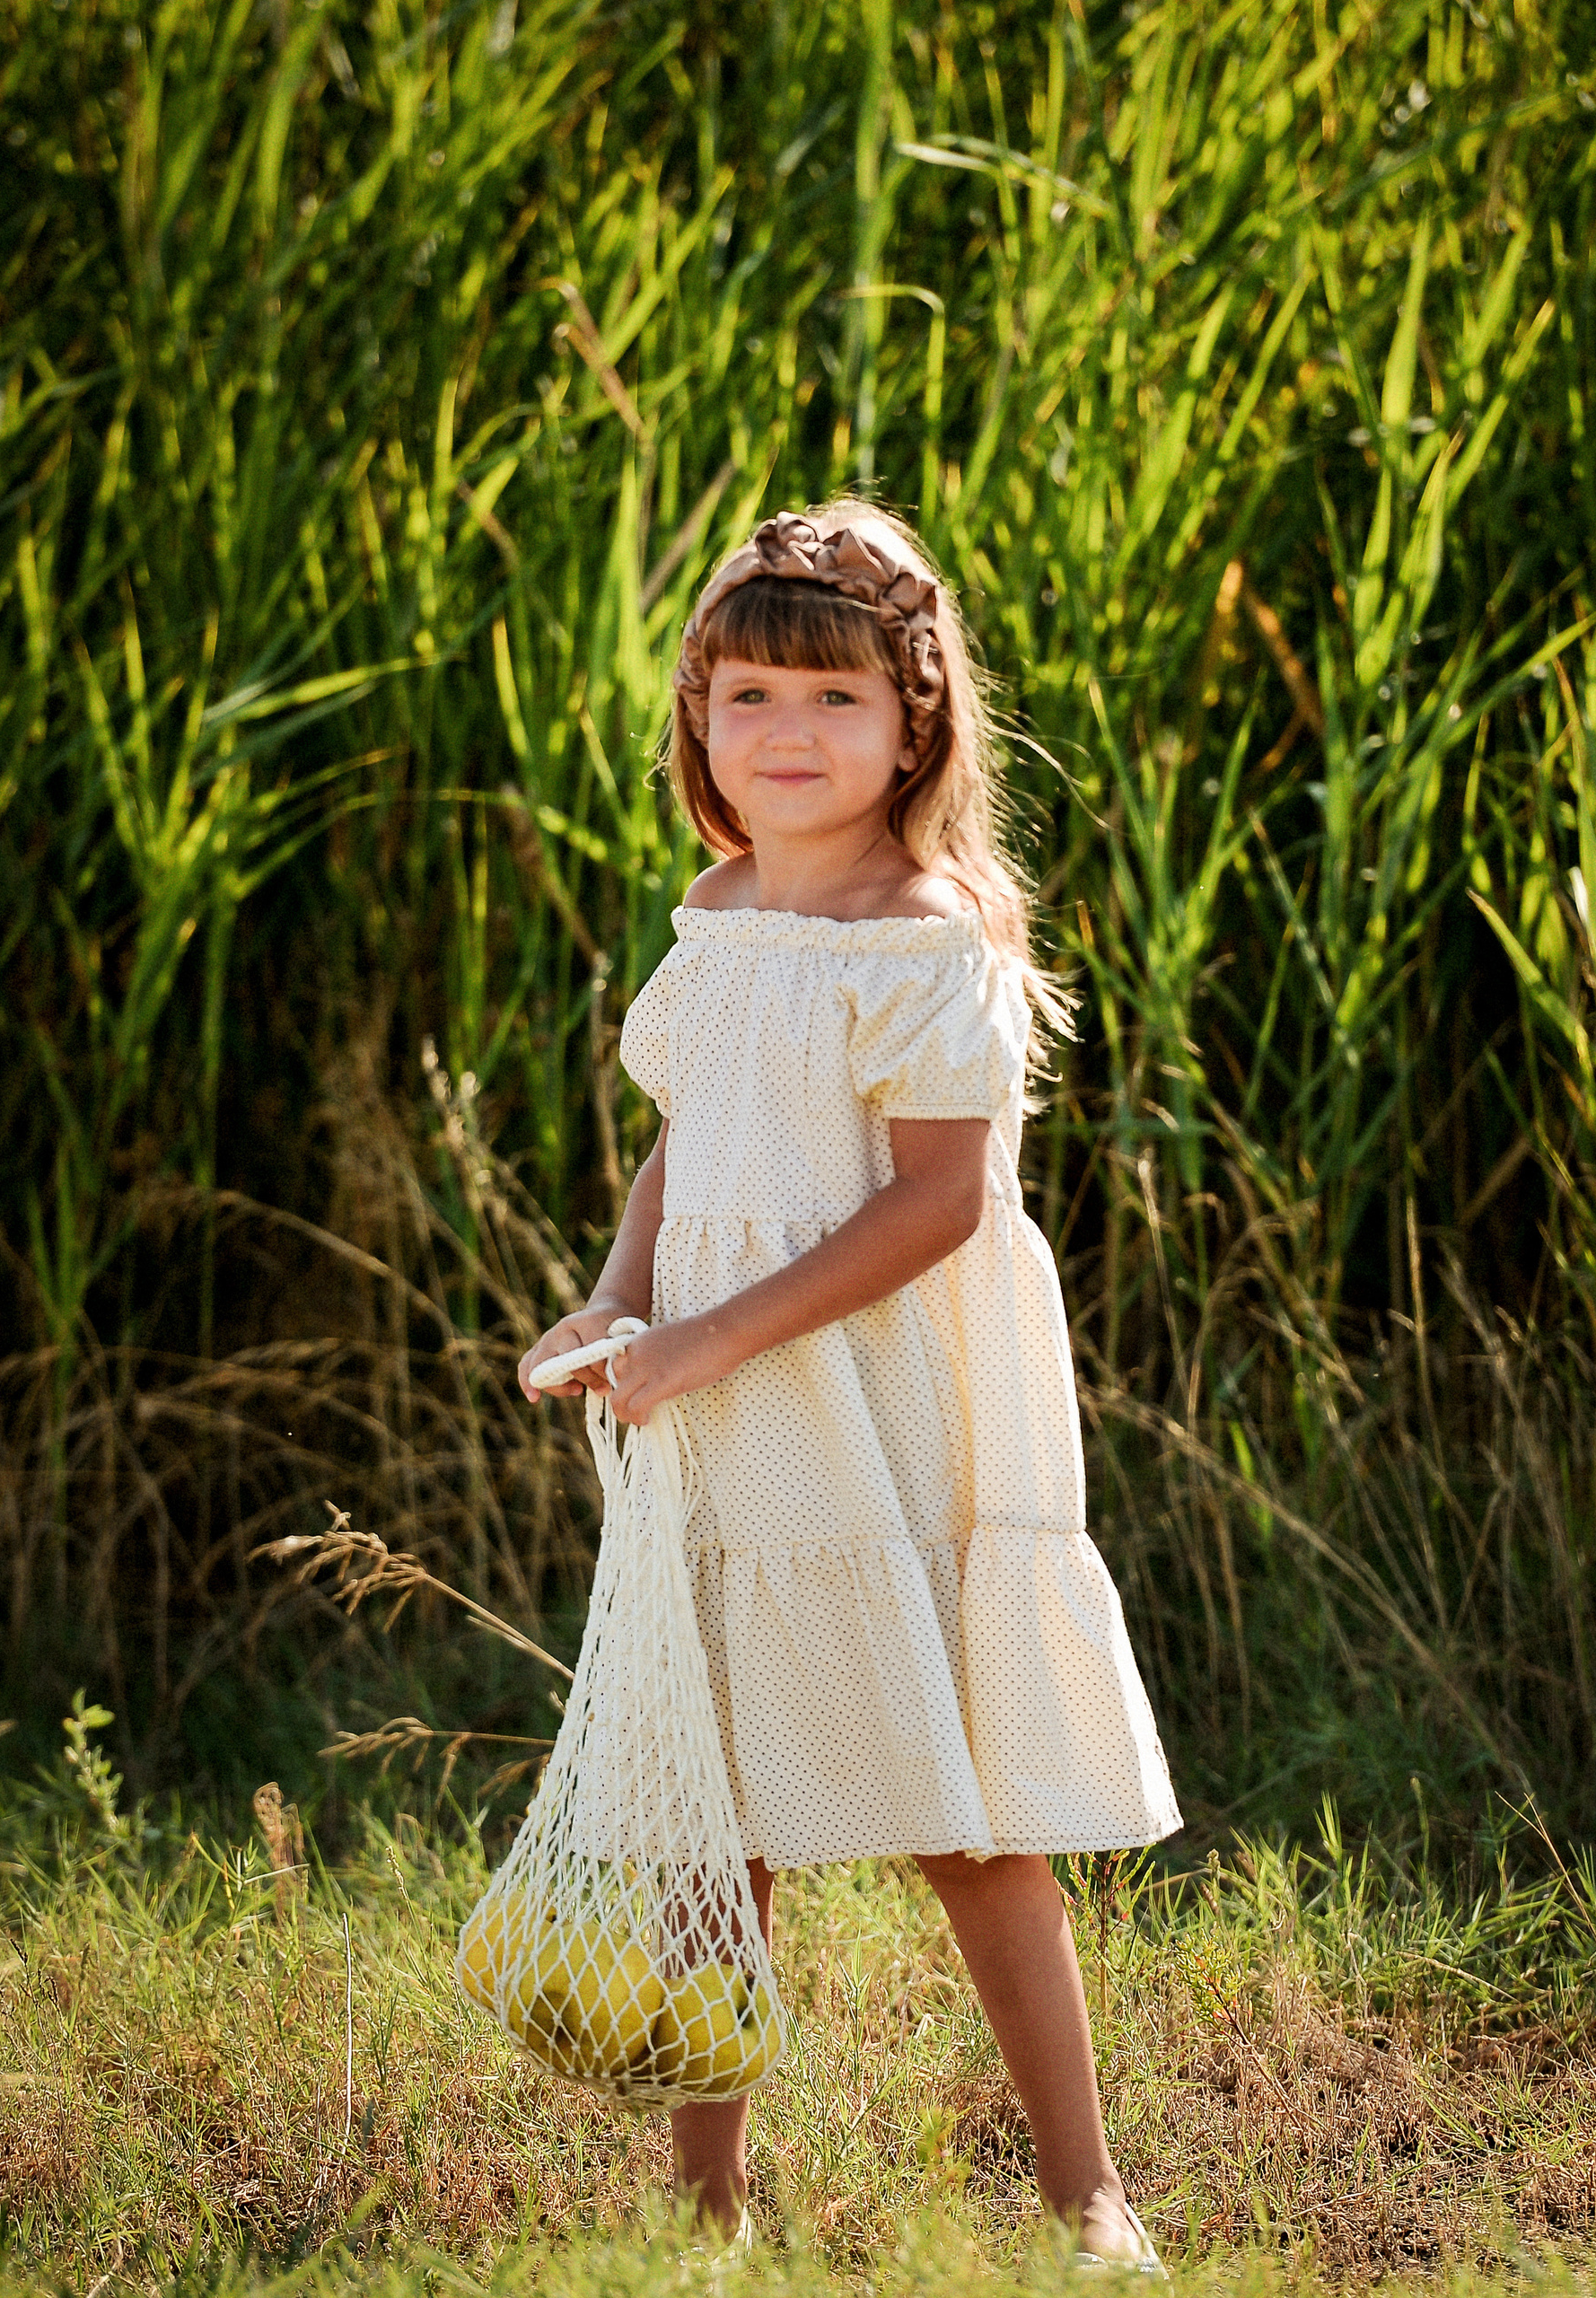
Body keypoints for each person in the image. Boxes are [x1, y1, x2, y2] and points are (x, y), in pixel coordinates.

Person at [519, 502, 1180, 2270]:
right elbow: (689, 1142)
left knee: (958, 1821)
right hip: (723, 1412)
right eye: (745, 697)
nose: (785, 735)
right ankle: (708, 2202)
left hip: (877, 1410)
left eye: (829, 697)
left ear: (915, 723)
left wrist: (704, 1338)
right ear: (696, 723)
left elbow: (934, 1202)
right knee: (704, 1824)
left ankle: (1082, 2186)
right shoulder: (719, 912)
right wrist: (613, 1300)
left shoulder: (921, 935)